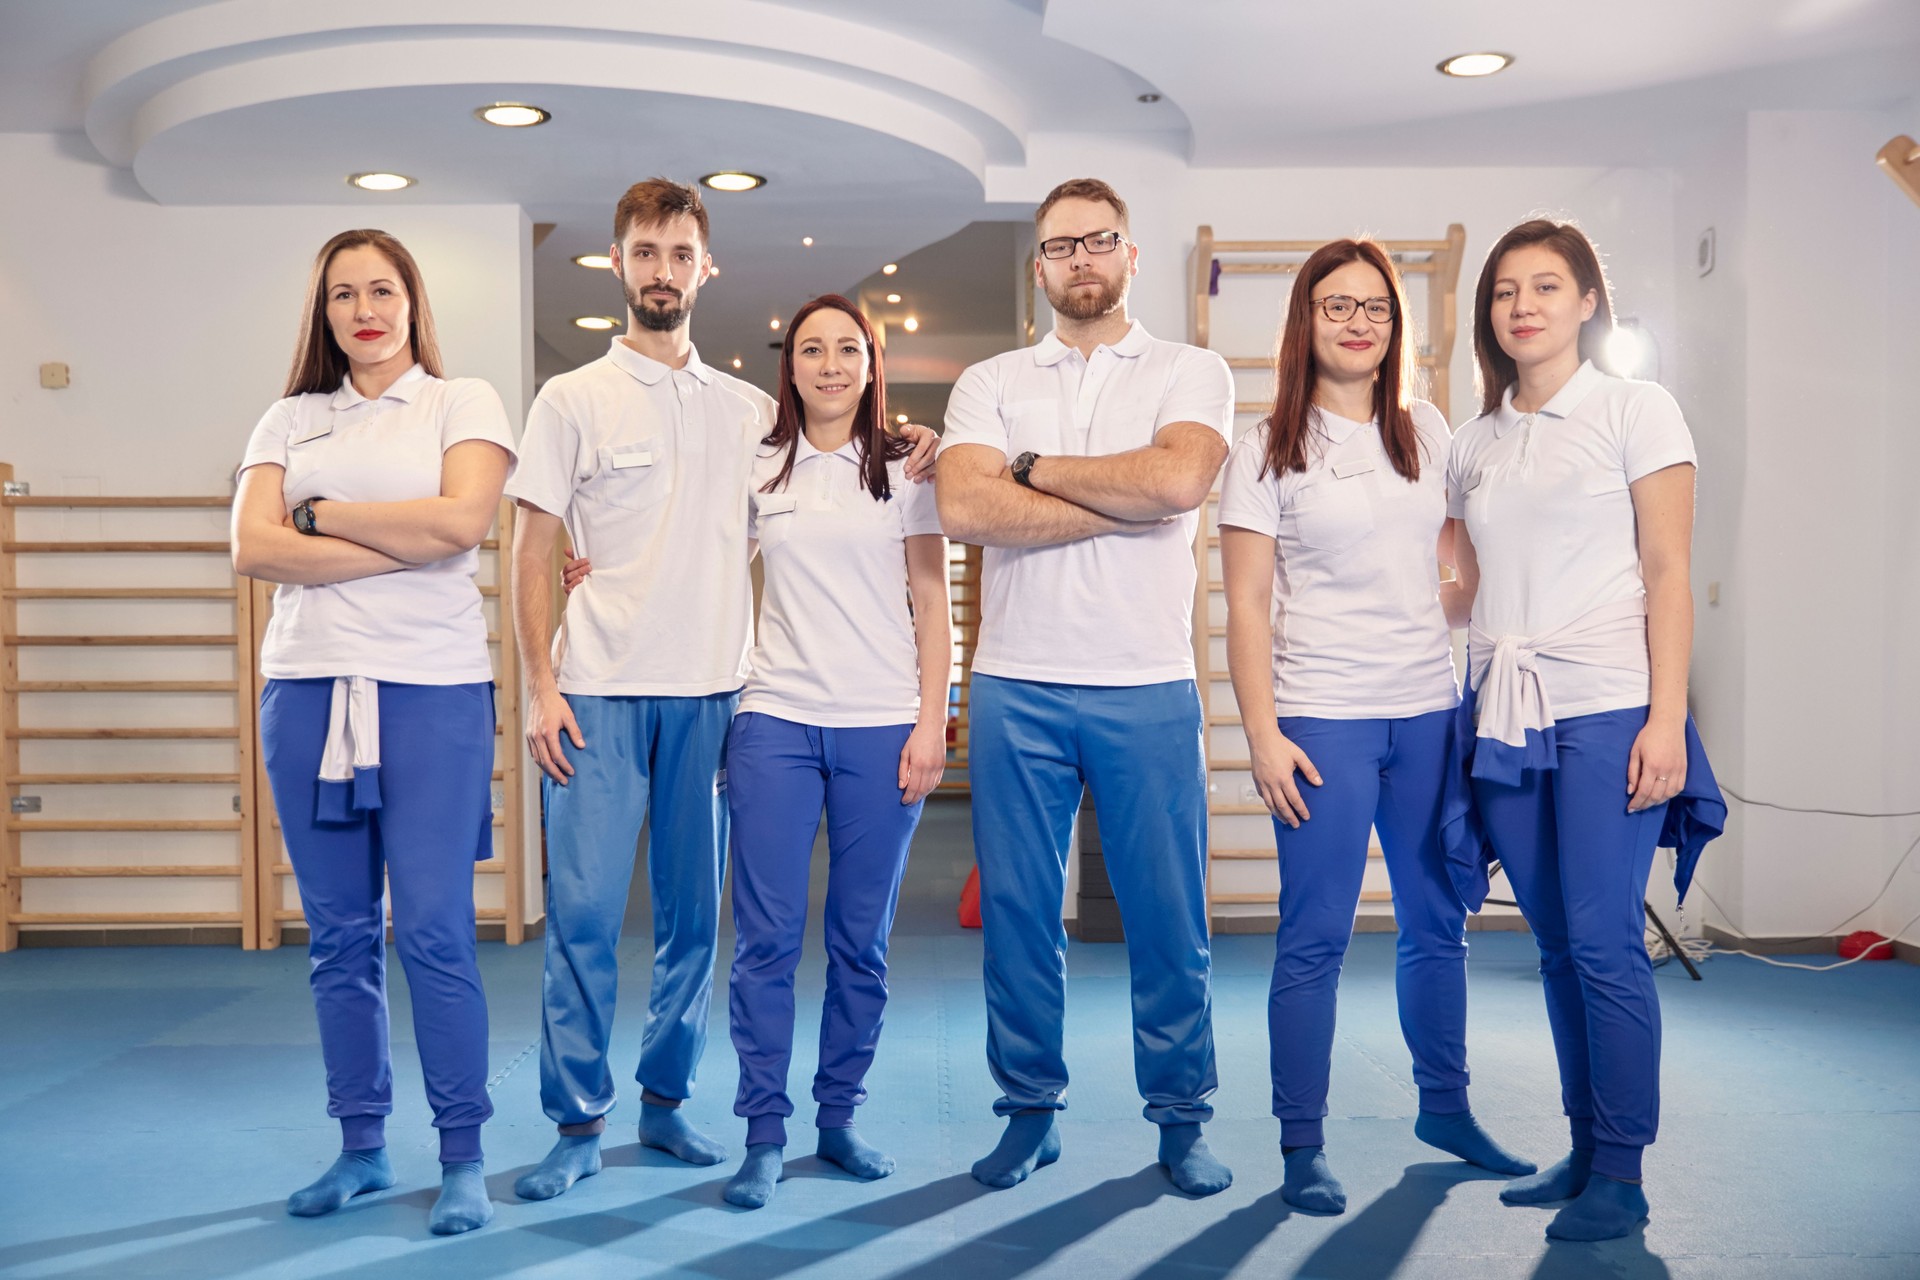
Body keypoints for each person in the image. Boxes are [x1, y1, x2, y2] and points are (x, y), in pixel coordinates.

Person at [507, 180, 937, 1202]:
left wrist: (920, 442)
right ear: (618, 263)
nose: (662, 269)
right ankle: (576, 1118)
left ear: (706, 268)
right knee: (582, 914)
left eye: (679, 252)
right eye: (644, 251)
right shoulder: (571, 398)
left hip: (719, 696)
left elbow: (834, 478)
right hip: (597, 691)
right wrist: (536, 685)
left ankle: (664, 1105)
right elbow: (530, 547)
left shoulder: (753, 416)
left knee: (698, 927)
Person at [1218, 238, 1536, 1216]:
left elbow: (1462, 565)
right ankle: (1301, 1141)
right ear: (1304, 322)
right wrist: (1264, 734)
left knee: (1438, 925)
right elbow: (1245, 606)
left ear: (1396, 328)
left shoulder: (1428, 429)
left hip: (1428, 712)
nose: (1359, 322)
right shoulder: (1266, 444)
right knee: (1313, 936)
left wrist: (1446, 605)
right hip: (1323, 716)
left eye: (1377, 308)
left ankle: (1446, 1105)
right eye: (1337, 306)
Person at [936, 177, 1234, 1197]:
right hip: (1019, 681)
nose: (1081, 260)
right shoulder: (990, 378)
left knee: (1167, 919)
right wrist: (1122, 493)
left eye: (1098, 240)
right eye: (1061, 246)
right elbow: (968, 507)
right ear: (1040, 266)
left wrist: (1036, 470)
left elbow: (1180, 482)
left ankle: (1182, 1117)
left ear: (1129, 254)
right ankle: (1029, 1112)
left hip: (1146, 683)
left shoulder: (1191, 368)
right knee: (1020, 916)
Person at [1442, 218, 1725, 1242]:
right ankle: (1583, 1141)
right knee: (1557, 944)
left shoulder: (1634, 408)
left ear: (1586, 301)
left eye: (1547, 286)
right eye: (1507, 289)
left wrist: (1667, 716)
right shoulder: (1472, 440)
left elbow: (1667, 572)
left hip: (1609, 704)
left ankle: (1624, 1170)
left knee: (1606, 941)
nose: (1523, 304)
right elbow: (1455, 573)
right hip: (1505, 710)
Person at [232, 228, 515, 1236]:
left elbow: (462, 527)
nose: (365, 308)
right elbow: (251, 545)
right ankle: (359, 1145)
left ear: (412, 300)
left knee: (435, 931)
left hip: (432, 691)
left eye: (382, 288)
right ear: (324, 310)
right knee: (339, 939)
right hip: (306, 690)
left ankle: (464, 1153)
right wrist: (396, 537)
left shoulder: (461, 400)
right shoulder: (289, 416)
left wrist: (322, 519)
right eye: (345, 292)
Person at [717, 295, 950, 1209]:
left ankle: (839, 1116)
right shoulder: (759, 461)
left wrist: (934, 722)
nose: (828, 364)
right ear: (791, 364)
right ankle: (764, 1132)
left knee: (862, 942)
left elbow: (931, 602)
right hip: (772, 719)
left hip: (883, 725)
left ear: (870, 362)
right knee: (765, 942)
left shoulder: (906, 466)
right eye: (811, 349)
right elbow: (704, 568)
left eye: (846, 348)